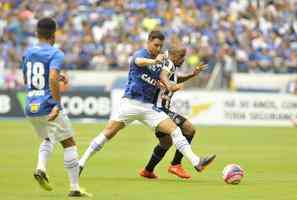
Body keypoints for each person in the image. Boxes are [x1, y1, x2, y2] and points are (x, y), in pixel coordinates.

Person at [78, 30, 216, 175]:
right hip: (130, 103)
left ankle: (196, 162)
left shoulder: (162, 62)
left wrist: (170, 85)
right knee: (109, 133)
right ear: (148, 42)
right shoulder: (141, 54)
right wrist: (154, 61)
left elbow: (164, 77)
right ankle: (81, 163)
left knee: (174, 130)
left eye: (160, 46)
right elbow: (139, 62)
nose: (157, 48)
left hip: (149, 108)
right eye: (155, 45)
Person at [21, 17, 90, 197]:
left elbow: (28, 79)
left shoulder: (28, 53)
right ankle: (74, 187)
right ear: (54, 34)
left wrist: (55, 78)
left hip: (30, 106)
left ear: (37, 33)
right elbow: (51, 77)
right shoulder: (55, 53)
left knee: (48, 139)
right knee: (69, 143)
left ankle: (41, 168)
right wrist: (57, 104)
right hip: (47, 105)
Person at [139, 45, 208, 179]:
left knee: (166, 142)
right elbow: (164, 76)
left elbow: (175, 79)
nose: (183, 60)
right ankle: (176, 164)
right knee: (189, 129)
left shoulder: (171, 67)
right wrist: (170, 86)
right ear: (175, 56)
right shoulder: (169, 64)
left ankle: (147, 170)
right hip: (160, 108)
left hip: (156, 109)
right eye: (182, 57)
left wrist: (192, 75)